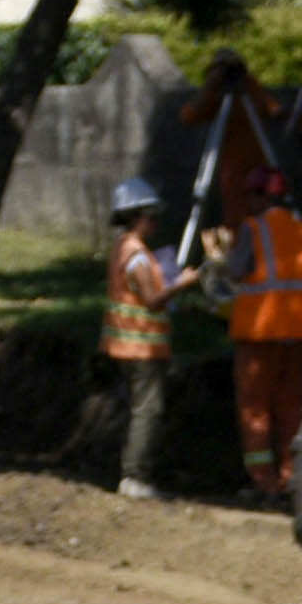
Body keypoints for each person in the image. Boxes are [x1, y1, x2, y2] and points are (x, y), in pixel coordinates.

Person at [101, 178, 200, 501]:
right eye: (151, 216)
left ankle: (129, 470)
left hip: (125, 346)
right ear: (134, 217)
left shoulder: (123, 248)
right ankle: (134, 477)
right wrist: (183, 283)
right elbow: (152, 299)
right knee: (147, 411)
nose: (156, 222)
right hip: (141, 346)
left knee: (135, 409)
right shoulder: (138, 256)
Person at [230, 182, 302, 487]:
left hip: (260, 335)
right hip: (298, 335)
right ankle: (292, 474)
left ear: (262, 197)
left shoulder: (253, 230)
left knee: (255, 407)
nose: (249, 202)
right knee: (290, 406)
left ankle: (263, 480)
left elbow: (237, 270)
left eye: (252, 195)